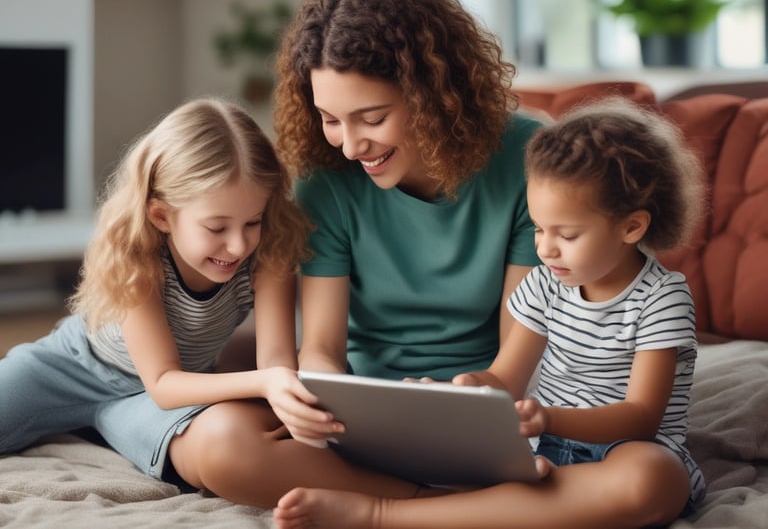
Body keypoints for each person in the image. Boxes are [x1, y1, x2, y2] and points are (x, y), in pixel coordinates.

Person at [273, 96, 707, 529]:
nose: (545, 249)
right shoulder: (546, 285)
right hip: (548, 449)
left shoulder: (661, 298)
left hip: (624, 448)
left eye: (567, 234)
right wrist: (457, 391)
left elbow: (641, 418)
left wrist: (549, 417)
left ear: (632, 227)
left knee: (651, 478)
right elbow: (504, 378)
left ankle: (384, 514)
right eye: (538, 228)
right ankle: (531, 506)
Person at [0, 97, 422, 508]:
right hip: (76, 366)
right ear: (162, 216)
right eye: (217, 227)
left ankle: (420, 498)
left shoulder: (270, 249)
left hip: (163, 394)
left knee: (227, 443)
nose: (237, 244)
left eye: (252, 221)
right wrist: (264, 382)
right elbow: (164, 382)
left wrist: (283, 388)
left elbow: (274, 358)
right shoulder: (135, 254)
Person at [266, 0, 542, 444]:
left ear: (433, 95)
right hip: (365, 408)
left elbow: (517, 353)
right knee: (225, 450)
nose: (350, 147)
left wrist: (475, 396)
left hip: (488, 399)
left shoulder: (528, 159)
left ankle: (385, 505)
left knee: (640, 483)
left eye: (371, 119)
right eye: (330, 120)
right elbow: (323, 348)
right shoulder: (326, 182)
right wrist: (317, 399)